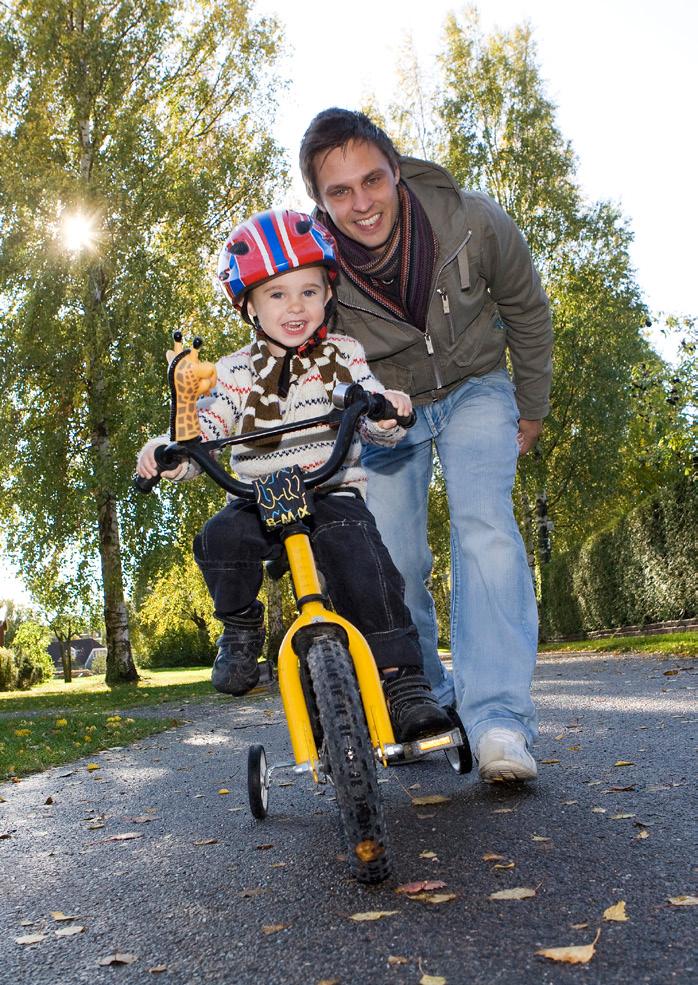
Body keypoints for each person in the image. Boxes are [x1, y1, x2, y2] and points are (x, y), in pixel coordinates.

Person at [299, 109, 554, 782]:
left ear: (395, 170)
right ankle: (427, 700)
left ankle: (499, 719)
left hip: (476, 388)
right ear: (320, 203)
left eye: (372, 180)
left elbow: (526, 308)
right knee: (392, 559)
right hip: (387, 409)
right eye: (340, 192)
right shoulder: (318, 274)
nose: (362, 203)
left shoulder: (470, 222)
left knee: (486, 528)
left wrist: (532, 405)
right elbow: (297, 355)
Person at [136, 209, 452, 743]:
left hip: (329, 489)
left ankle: (403, 684)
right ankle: (239, 627)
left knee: (367, 563)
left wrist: (386, 408)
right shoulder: (234, 370)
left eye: (308, 291)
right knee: (219, 538)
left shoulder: (346, 355)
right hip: (258, 495)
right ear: (250, 305)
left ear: (328, 294)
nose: (295, 306)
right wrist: (169, 448)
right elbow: (208, 426)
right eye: (277, 295)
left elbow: (373, 418)